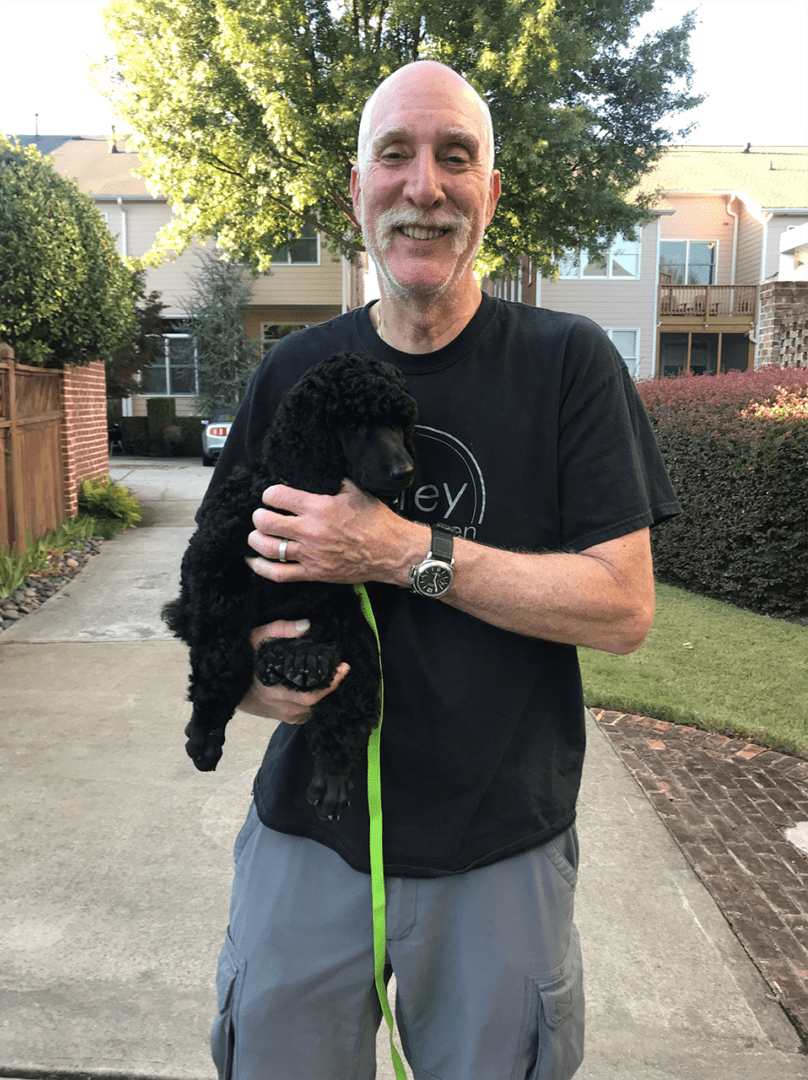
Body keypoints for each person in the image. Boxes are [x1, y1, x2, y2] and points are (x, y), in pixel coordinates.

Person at [203, 60, 680, 1080]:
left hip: (499, 850)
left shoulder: (568, 365)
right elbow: (219, 601)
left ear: (490, 193)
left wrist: (402, 553)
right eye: (396, 155)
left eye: (455, 157)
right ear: (356, 188)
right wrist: (252, 679)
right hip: (308, 838)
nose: (424, 185)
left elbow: (624, 607)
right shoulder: (291, 372)